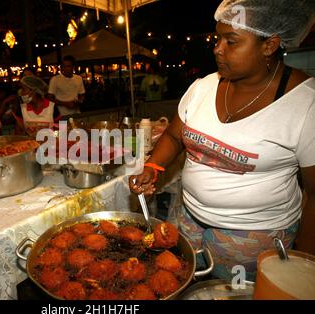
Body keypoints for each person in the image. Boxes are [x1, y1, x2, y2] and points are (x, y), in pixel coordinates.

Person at [129, 0, 315, 281]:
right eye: (218, 39)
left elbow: (314, 194)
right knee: (180, 282)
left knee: (232, 294)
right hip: (187, 217)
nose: (217, 48)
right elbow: (173, 135)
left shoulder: (306, 104)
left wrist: (307, 263)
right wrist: (154, 165)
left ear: (269, 45)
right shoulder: (203, 87)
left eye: (232, 41)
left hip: (252, 237)